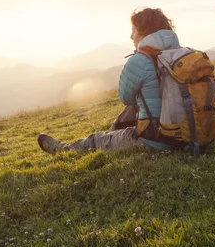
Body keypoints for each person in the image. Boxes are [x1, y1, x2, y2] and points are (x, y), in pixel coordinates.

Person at [37, 8, 185, 154]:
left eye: (133, 30)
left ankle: (65, 149)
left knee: (95, 140)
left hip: (156, 140)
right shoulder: (183, 55)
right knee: (131, 110)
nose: (130, 36)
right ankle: (112, 133)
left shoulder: (140, 60)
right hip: (190, 135)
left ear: (143, 32)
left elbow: (125, 97)